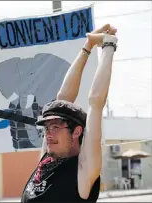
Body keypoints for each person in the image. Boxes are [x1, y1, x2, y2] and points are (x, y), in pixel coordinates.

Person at [21, 24, 118, 202]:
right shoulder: (48, 159)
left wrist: (108, 46)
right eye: (47, 128)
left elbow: (96, 103)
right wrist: (87, 46)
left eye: (55, 127)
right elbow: (63, 98)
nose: (48, 134)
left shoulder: (83, 171)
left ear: (76, 132)